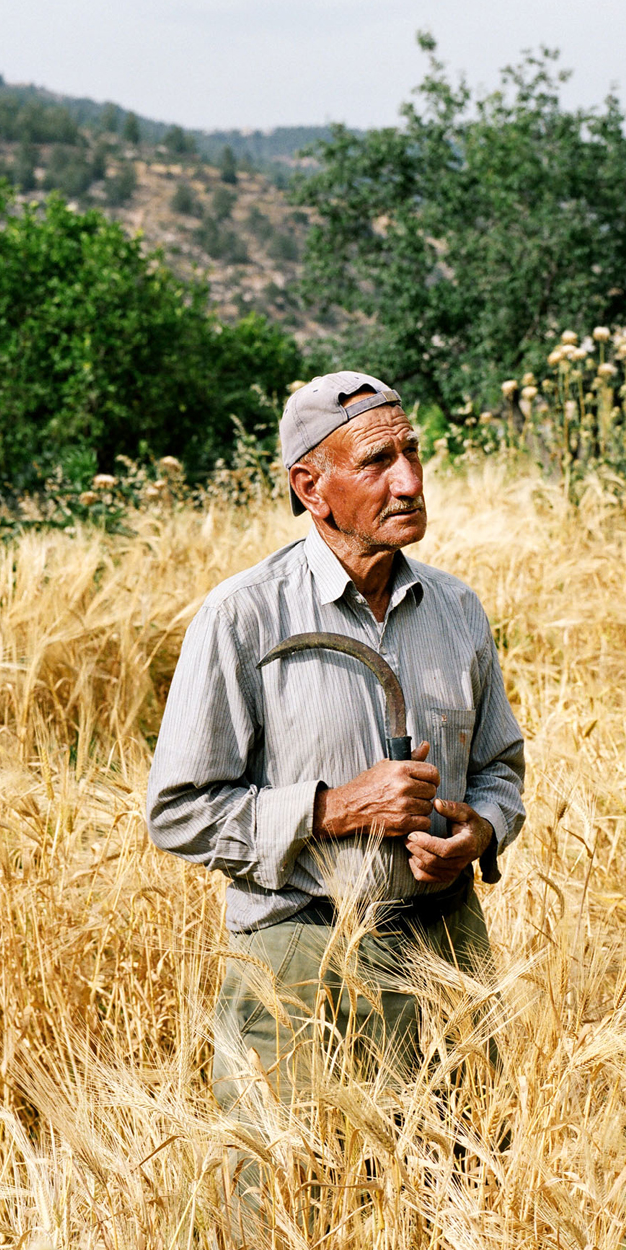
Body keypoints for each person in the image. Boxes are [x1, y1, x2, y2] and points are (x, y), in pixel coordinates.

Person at [146, 371, 526, 1117]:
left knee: (461, 1195)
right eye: (377, 462)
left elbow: (499, 768)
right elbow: (178, 811)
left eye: (412, 453)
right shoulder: (243, 617)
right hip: (298, 956)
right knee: (296, 1209)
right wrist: (332, 809)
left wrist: (480, 831)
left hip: (445, 947)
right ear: (311, 487)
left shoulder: (454, 609)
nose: (410, 480)